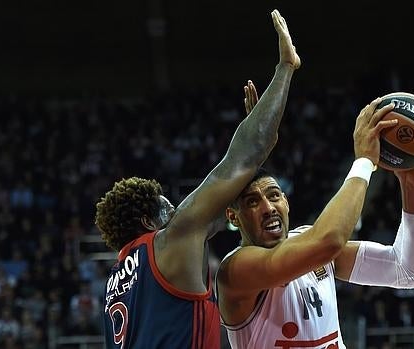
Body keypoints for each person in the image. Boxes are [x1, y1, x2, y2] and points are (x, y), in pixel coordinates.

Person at [94, 9, 300, 349]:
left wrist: (258, 155)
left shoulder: (117, 281)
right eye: (168, 208)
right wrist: (285, 68)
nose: (178, 210)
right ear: (149, 221)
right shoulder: (170, 239)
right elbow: (244, 156)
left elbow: (230, 213)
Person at [215, 84, 414, 348]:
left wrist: (410, 185)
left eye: (274, 195)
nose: (268, 207)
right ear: (233, 217)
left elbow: (411, 271)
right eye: (253, 202)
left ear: (286, 202)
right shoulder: (236, 270)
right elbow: (328, 241)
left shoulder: (313, 247)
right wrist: (364, 161)